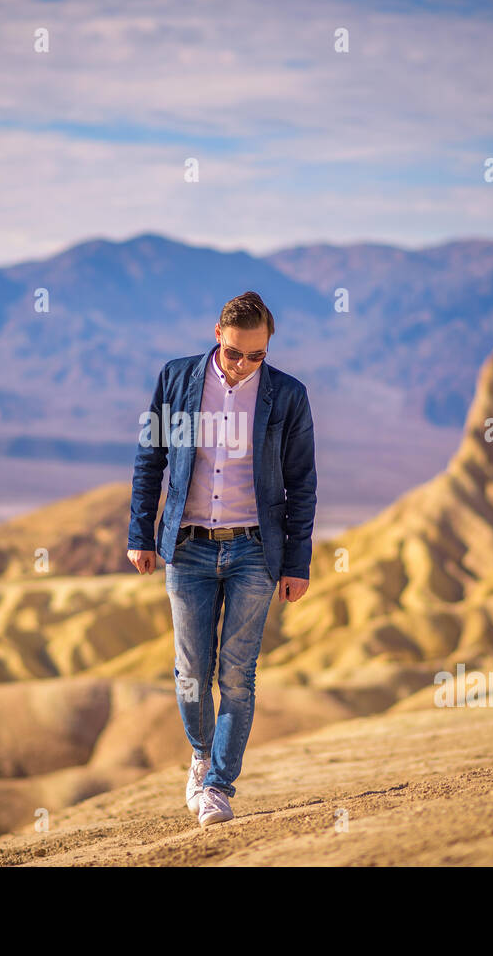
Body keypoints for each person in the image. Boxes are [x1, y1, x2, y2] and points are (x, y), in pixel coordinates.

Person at [127, 290, 317, 827]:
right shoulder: (178, 379)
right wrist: (141, 532)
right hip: (187, 546)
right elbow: (150, 458)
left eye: (256, 356)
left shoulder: (287, 396)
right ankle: (200, 754)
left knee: (238, 674)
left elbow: (302, 483)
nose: (243, 365)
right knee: (191, 670)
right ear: (218, 335)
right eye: (235, 352)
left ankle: (218, 785)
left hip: (255, 550)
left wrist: (298, 563)